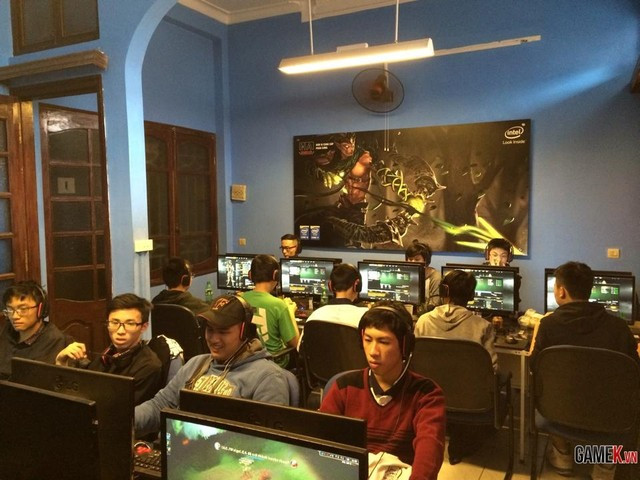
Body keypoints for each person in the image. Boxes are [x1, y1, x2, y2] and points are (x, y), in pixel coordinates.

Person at [530, 261, 639, 480]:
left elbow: (535, 365)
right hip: (609, 413)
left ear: (561, 291)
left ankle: (563, 456)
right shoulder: (618, 327)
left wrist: (534, 338)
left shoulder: (548, 325)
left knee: (552, 389)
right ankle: (604, 465)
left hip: (557, 409)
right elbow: (633, 370)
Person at [320, 301, 445, 480]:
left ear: (405, 346)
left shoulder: (427, 394)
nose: (373, 351)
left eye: (384, 342)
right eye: (367, 340)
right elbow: (321, 441)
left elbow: (429, 451)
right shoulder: (344, 387)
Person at [134, 294, 290, 436]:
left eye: (223, 331)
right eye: (209, 330)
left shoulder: (268, 378)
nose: (214, 339)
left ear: (244, 332)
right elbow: (159, 405)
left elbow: (266, 442)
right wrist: (125, 420)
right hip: (181, 449)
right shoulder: (196, 364)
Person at [414, 270, 498, 464]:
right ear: (472, 295)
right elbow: (492, 371)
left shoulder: (423, 321)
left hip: (430, 394)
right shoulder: (482, 326)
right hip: (470, 399)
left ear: (444, 291)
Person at [55, 293, 162, 405]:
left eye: (130, 323)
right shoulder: (110, 353)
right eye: (114, 323)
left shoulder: (149, 366)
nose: (120, 331)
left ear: (144, 327)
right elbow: (84, 386)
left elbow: (122, 410)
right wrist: (61, 362)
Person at [0, 281, 73, 380]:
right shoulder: (7, 332)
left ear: (40, 310)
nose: (14, 316)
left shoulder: (54, 340)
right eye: (10, 310)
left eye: (23, 309)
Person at [242, 254, 299, 367]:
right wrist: (290, 312)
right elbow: (295, 343)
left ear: (250, 275)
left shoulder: (241, 299)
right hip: (276, 362)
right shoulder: (278, 305)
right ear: (275, 275)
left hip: (249, 361)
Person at [297, 263, 368, 349]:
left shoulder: (315, 315)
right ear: (357, 285)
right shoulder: (365, 316)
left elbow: (300, 349)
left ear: (330, 285)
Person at [405, 239, 442, 314]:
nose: (413, 262)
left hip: (427, 316)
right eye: (410, 259)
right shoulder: (405, 274)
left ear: (426, 261)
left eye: (417, 259)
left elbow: (435, 304)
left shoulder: (436, 277)